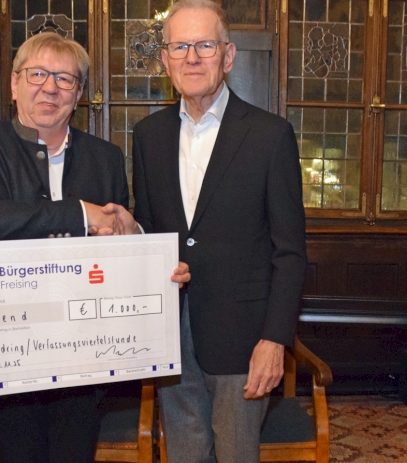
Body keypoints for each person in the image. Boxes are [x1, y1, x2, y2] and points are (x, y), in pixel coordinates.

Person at [0, 32, 189, 462]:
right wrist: (82, 213)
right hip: (12, 350)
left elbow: (120, 248)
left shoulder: (105, 157)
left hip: (86, 353)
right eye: (37, 74)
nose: (50, 88)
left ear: (78, 94)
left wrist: (134, 237)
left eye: (64, 79)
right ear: (14, 84)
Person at [131, 1, 307, 462]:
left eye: (205, 45)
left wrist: (275, 340)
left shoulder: (270, 136)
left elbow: (289, 252)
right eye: (180, 47)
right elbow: (149, 232)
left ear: (227, 56)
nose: (192, 58)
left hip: (243, 338)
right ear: (165, 59)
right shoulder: (147, 136)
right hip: (171, 333)